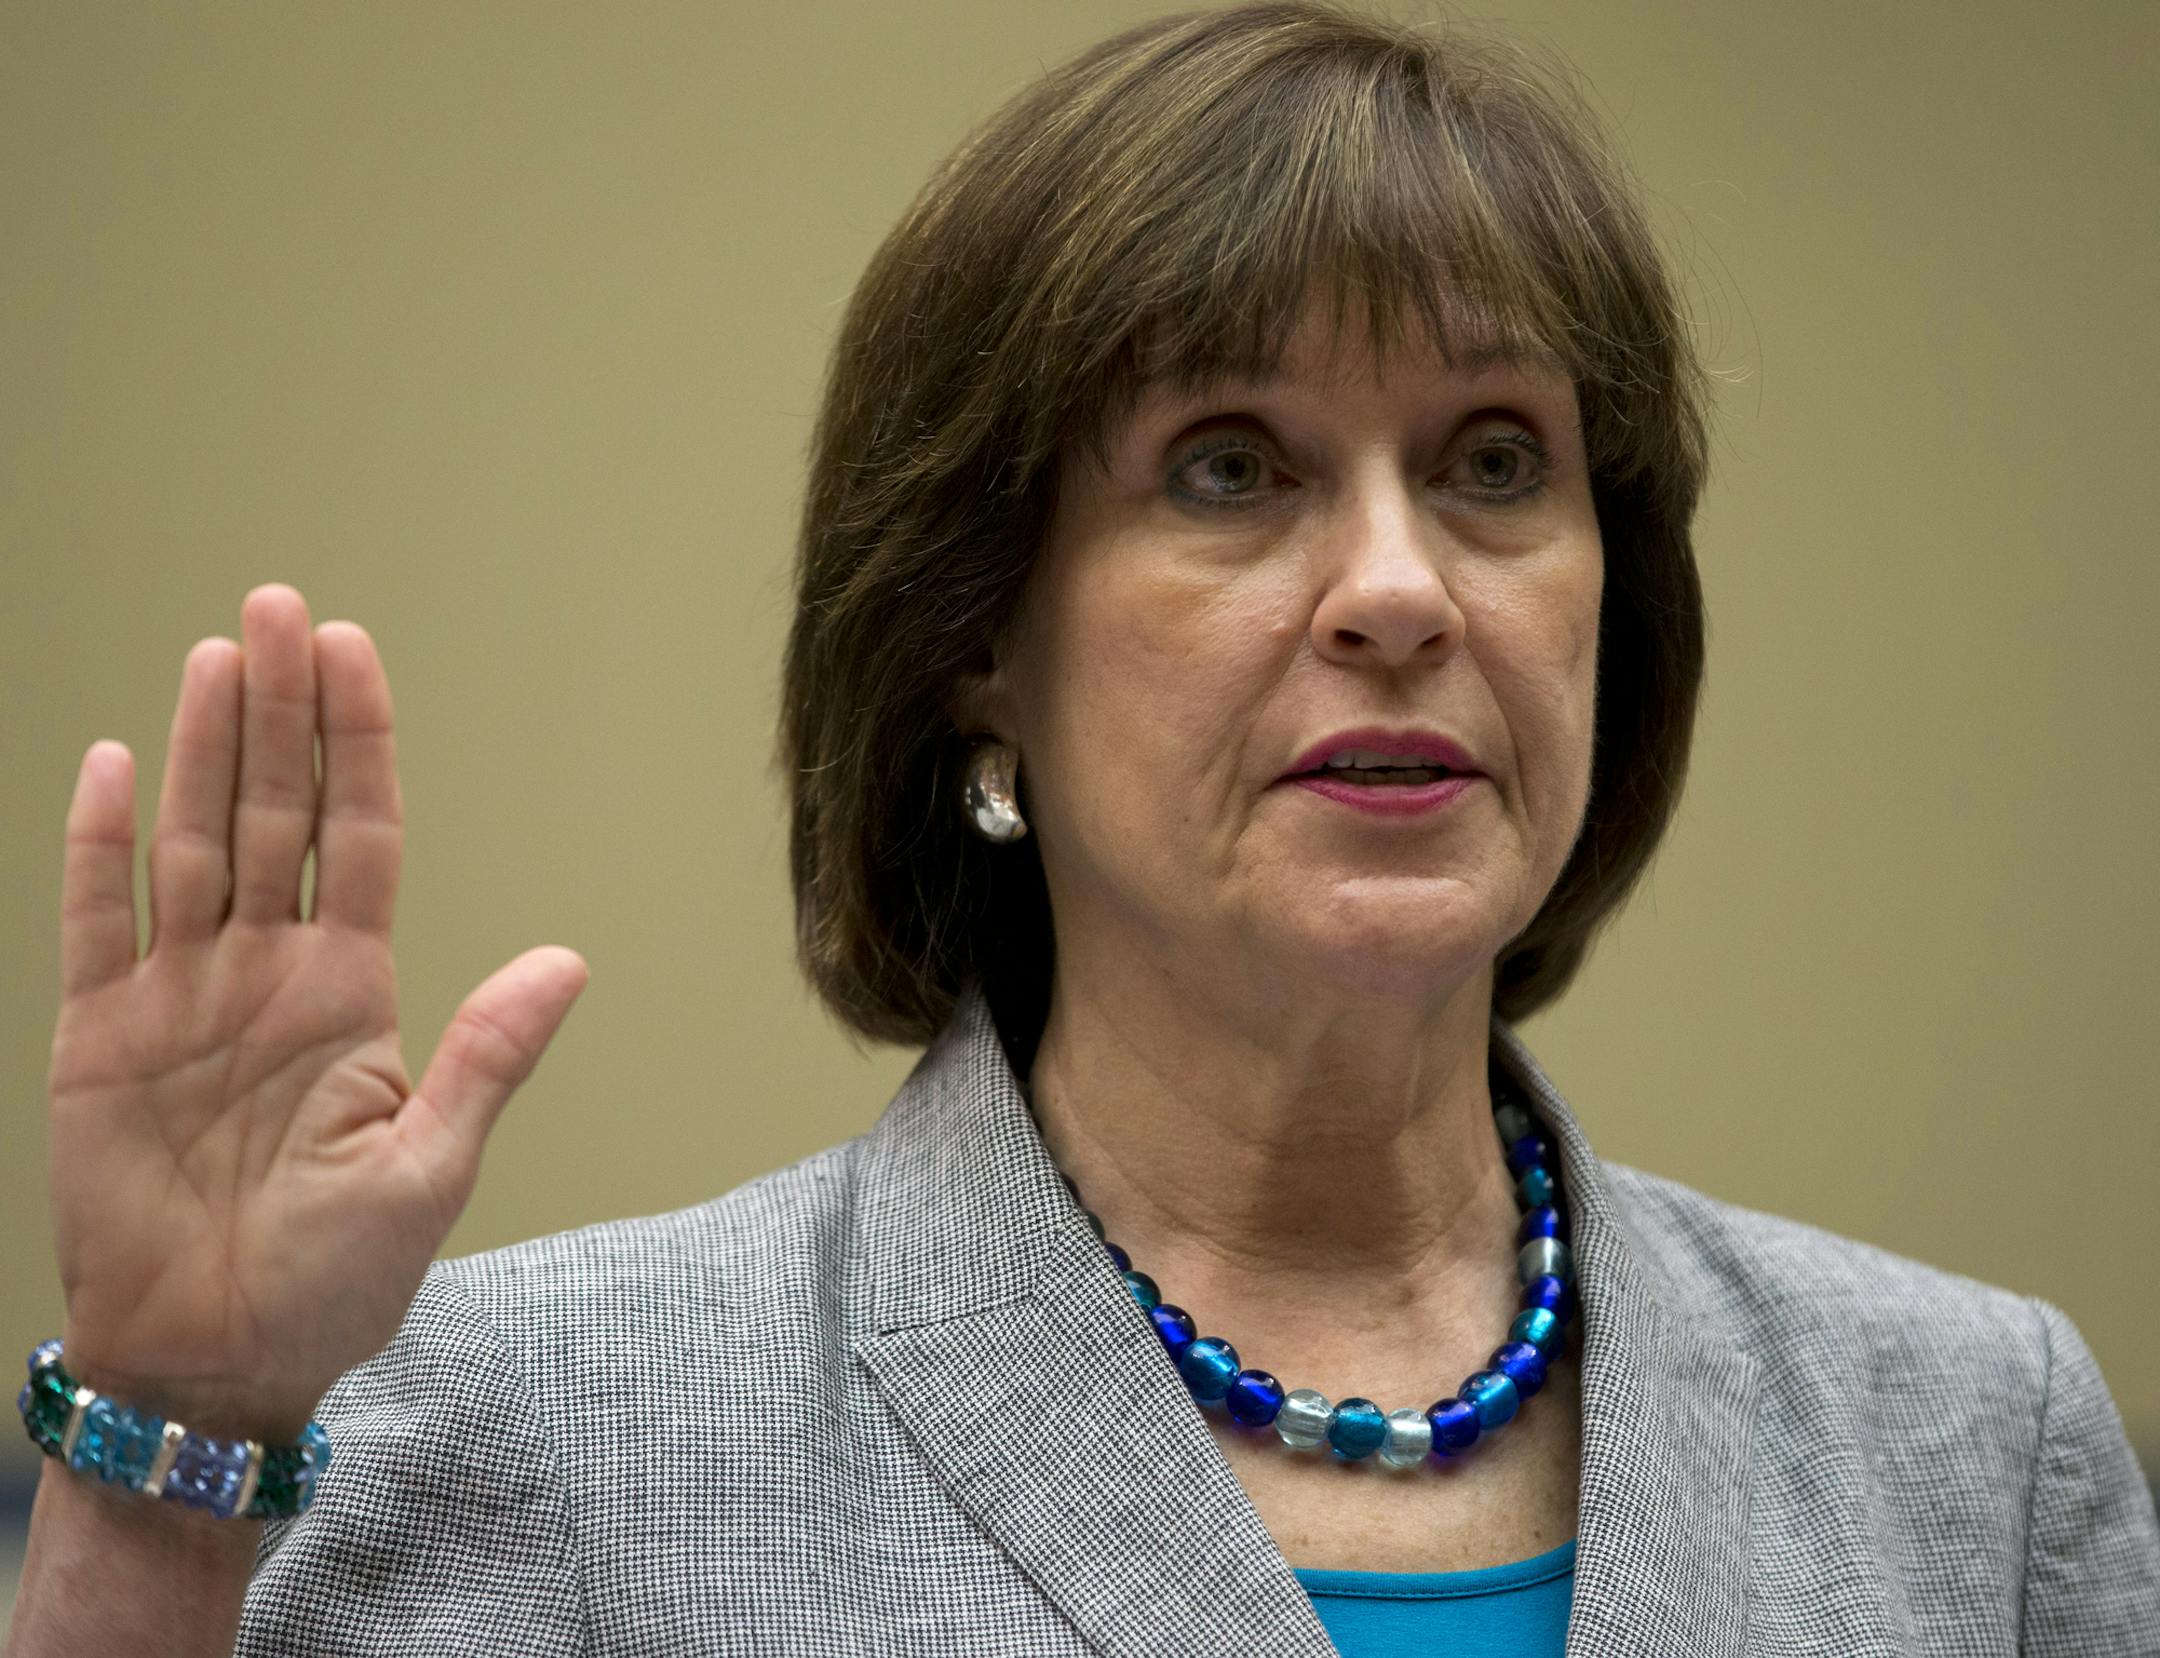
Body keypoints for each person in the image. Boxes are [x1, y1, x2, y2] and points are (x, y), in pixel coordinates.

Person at [9, 2, 2157, 1653]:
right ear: (977, 652)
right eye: (1231, 467)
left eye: (1497, 459)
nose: (1402, 586)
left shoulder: (1977, 1444)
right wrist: (153, 1470)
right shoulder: (547, 1429)